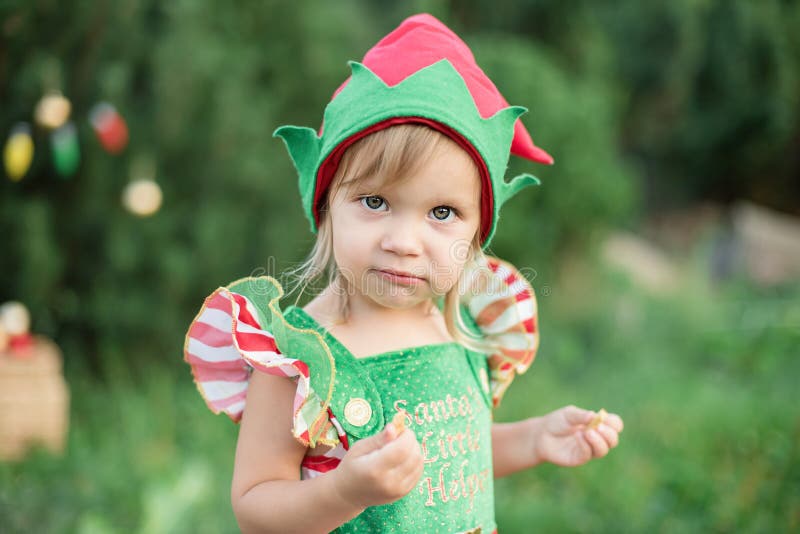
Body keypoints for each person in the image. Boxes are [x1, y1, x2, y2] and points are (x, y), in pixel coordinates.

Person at [184, 13, 623, 533]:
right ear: (327, 208)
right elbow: (255, 507)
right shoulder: (299, 358)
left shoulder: (457, 325)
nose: (403, 242)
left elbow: (450, 457)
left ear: (478, 232)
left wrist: (533, 440)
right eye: (375, 201)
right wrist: (345, 490)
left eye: (442, 213)